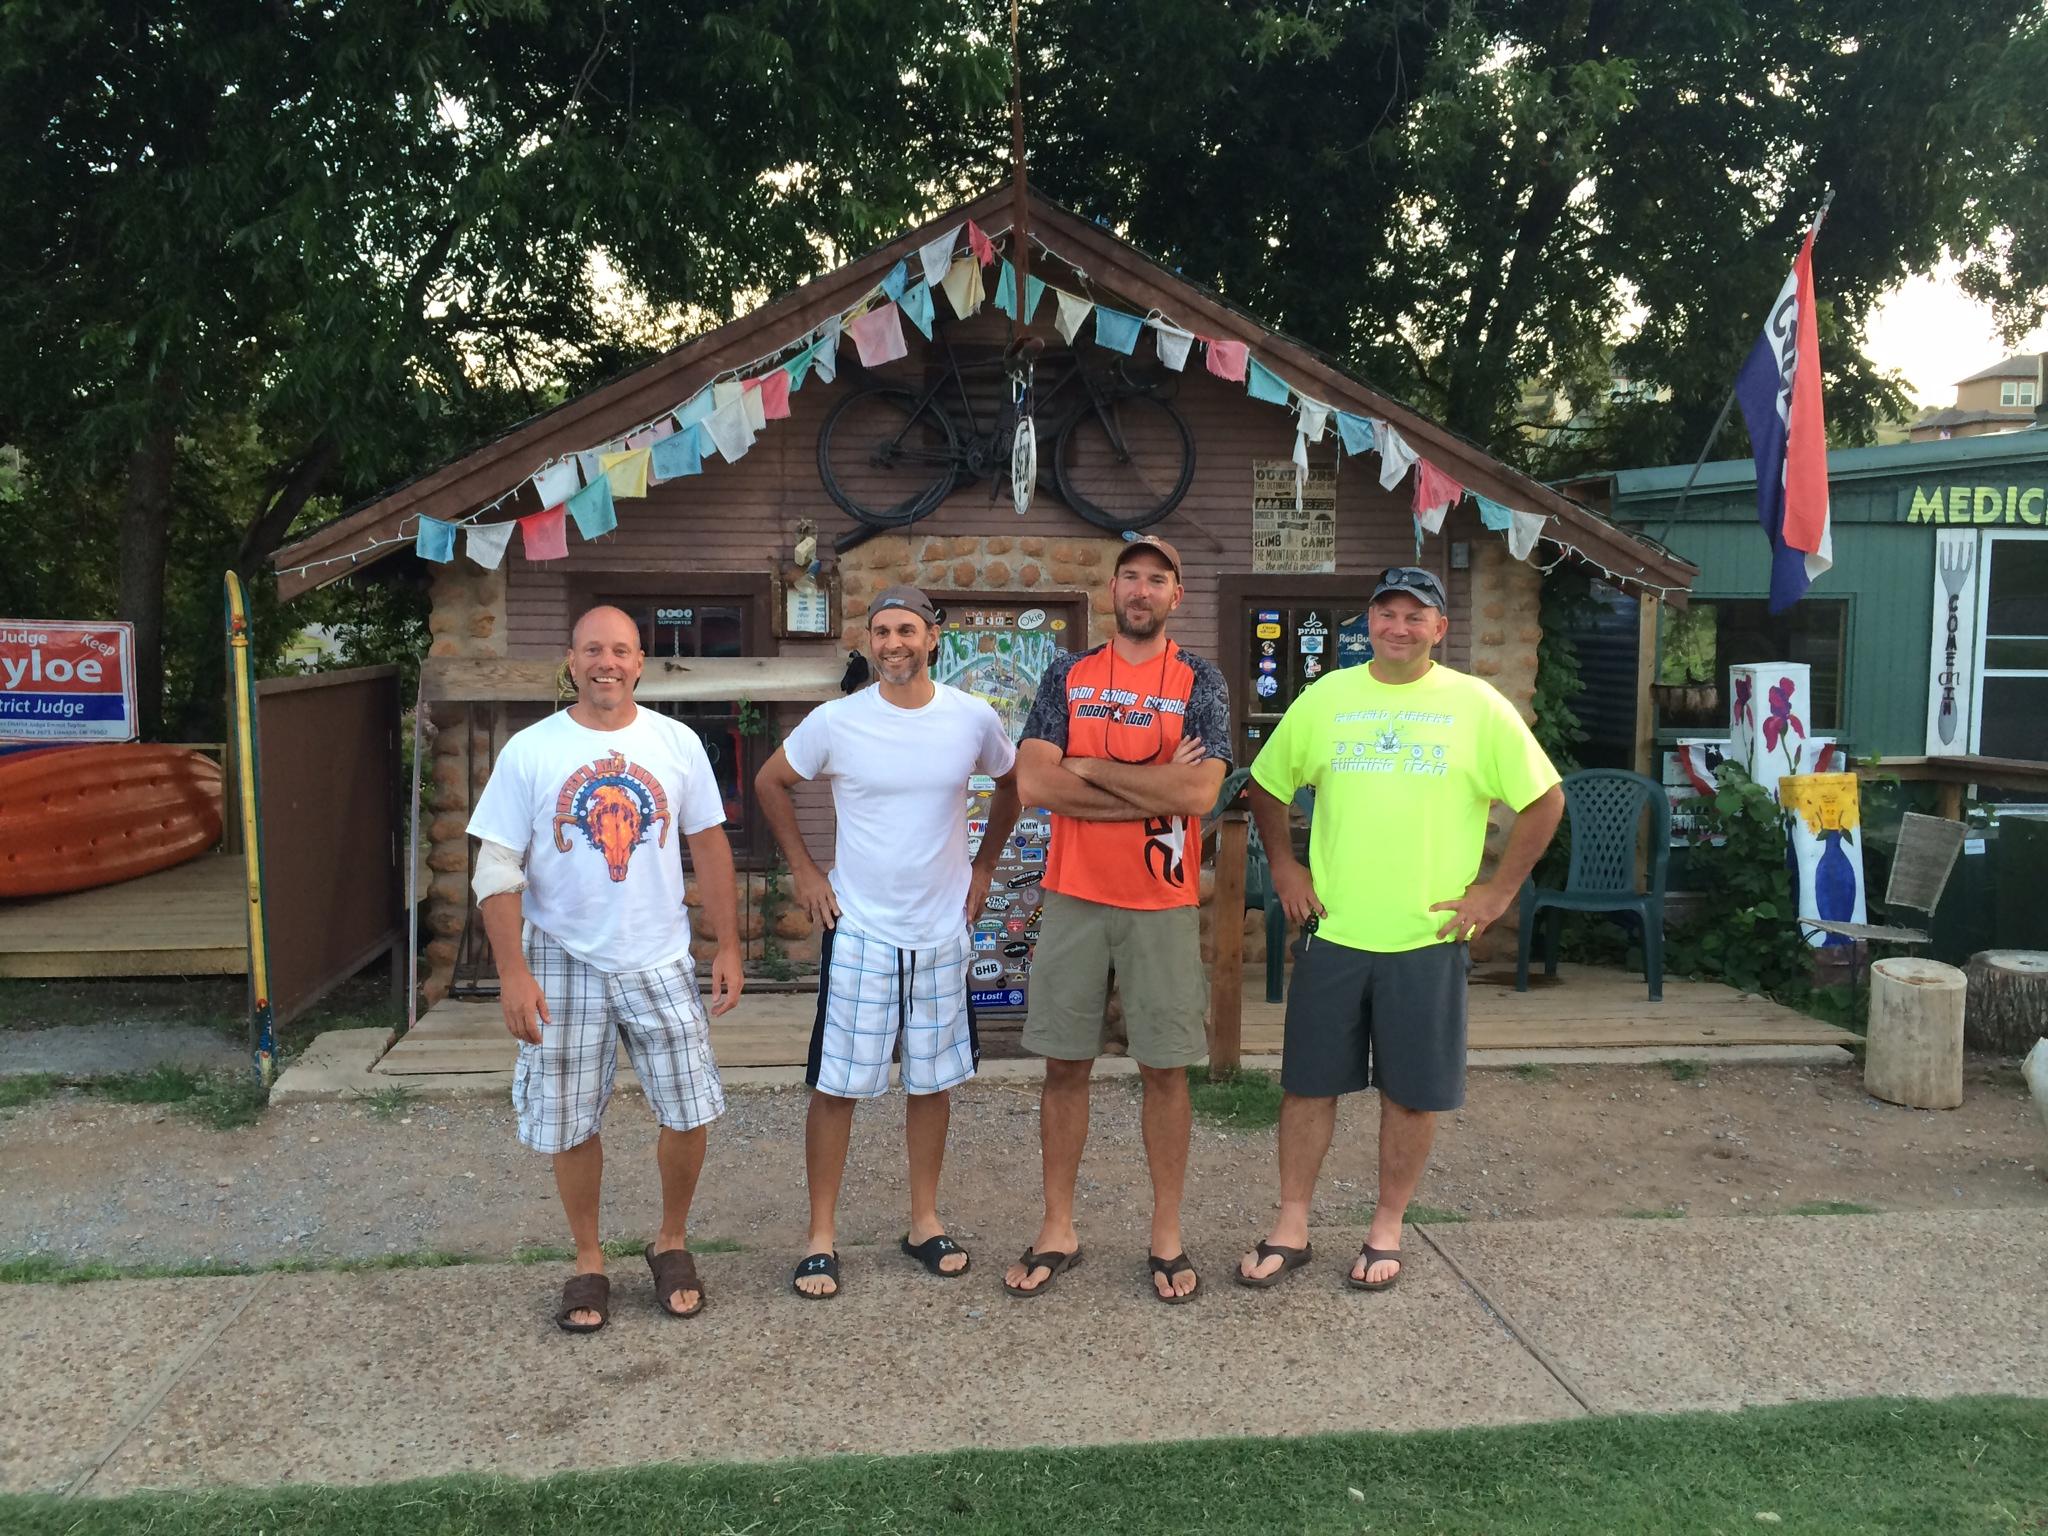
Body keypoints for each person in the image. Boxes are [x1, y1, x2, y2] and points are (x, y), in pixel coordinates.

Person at [1235, 566, 1563, 1292]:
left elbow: (1544, 800)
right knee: (1308, 1088)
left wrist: (1497, 890)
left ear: (1439, 629)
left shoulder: (1476, 706)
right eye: (1388, 613)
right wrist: (1286, 870)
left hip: (1427, 938)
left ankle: (1387, 1225)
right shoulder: (1327, 699)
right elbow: (1264, 783)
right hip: (1335, 931)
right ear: (1368, 623)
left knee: (1411, 1093)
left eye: (1417, 616)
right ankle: (1293, 1224)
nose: (1400, 627)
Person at [468, 605, 744, 1333]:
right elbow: (496, 865)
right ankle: (588, 1259)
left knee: (688, 1109)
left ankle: (672, 1240)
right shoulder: (531, 750)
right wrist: (512, 972)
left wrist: (731, 945)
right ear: (571, 659)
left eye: (620, 650)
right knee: (567, 1120)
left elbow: (710, 847)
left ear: (640, 660)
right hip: (561, 957)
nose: (607, 663)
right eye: (593, 650)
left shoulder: (677, 743)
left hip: (659, 955)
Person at [755, 586, 1022, 1299]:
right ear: (868, 642)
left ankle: (925, 1223)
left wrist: (985, 866)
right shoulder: (837, 721)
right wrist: (808, 872)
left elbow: (1014, 782)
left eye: (906, 629)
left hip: (941, 928)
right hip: (862, 927)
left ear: (934, 638)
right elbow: (770, 781)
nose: (892, 642)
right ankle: (821, 1237)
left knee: (931, 1082)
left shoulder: (971, 717)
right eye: (880, 631)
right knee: (837, 1084)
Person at [1004, 535, 1231, 1303]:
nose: (1141, 589)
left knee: (1165, 1069)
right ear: (1111, 590)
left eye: (1156, 578)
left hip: (1162, 902)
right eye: (1129, 576)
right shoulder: (1069, 673)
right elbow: (1035, 781)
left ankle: (1165, 1233)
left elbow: (1201, 797)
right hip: (1074, 894)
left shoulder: (1199, 678)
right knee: (1064, 1066)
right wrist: (1152, 781)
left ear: (1178, 594)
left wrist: (1094, 765)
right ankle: (1056, 1225)